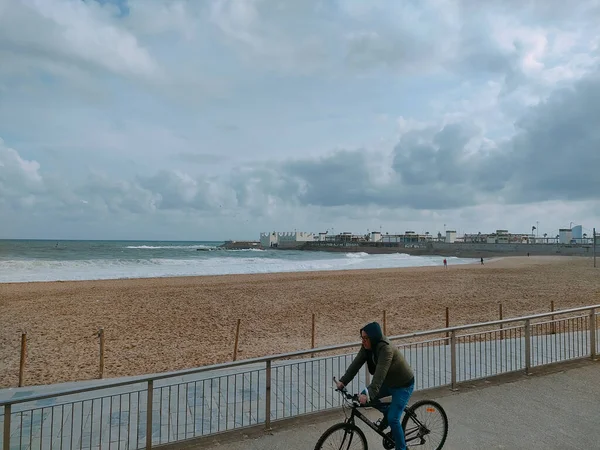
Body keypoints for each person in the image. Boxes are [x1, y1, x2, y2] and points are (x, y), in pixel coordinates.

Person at [336, 322, 414, 450]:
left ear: (373, 338)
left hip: (403, 385)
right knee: (365, 396)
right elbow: (356, 364)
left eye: (366, 338)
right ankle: (387, 413)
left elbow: (379, 374)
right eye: (362, 338)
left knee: (393, 419)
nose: (363, 341)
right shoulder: (367, 347)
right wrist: (343, 381)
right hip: (388, 383)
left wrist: (369, 394)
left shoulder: (386, 349)